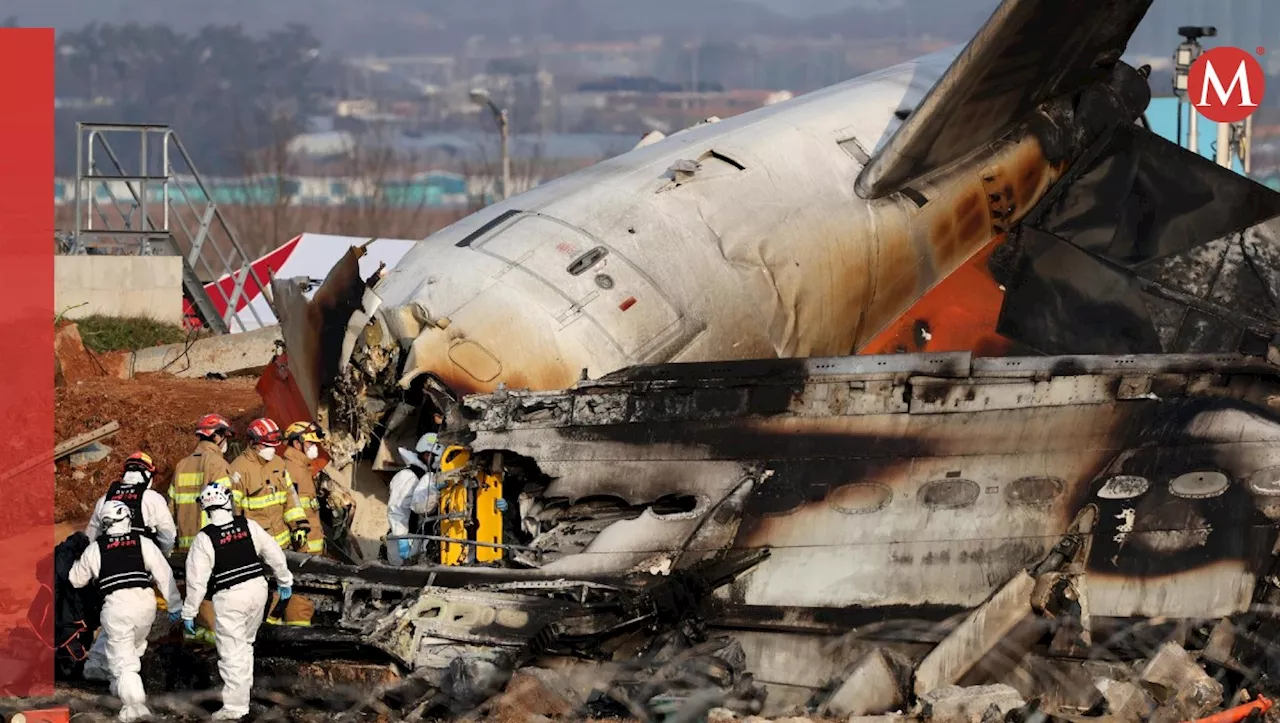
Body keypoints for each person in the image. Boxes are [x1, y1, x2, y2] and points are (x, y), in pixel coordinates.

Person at [181, 483, 294, 721]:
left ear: (205, 508)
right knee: (245, 644)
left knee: (232, 652)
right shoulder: (247, 525)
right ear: (228, 502)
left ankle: (235, 707)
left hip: (231, 597)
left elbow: (196, 582)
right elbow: (274, 552)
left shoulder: (205, 538)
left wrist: (189, 611)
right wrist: (285, 580)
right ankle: (245, 691)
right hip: (258, 590)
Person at [69, 501, 182, 722]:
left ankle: (136, 709)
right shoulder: (142, 542)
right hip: (145, 608)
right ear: (127, 519)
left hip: (117, 608)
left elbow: (75, 579)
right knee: (131, 648)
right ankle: (108, 676)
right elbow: (164, 574)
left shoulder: (96, 549)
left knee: (125, 663)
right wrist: (175, 606)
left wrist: (76, 560)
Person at [81, 452, 177, 682]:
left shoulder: (105, 499)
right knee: (134, 622)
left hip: (108, 571)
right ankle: (123, 673)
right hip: (139, 569)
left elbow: (91, 537)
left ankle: (96, 662)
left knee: (115, 616)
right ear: (147, 473)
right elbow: (168, 535)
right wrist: (158, 557)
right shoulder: (152, 499)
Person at [228, 417, 313, 626]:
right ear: (254, 443)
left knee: (294, 591)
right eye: (267, 446)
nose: (272, 450)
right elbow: (233, 514)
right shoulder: (238, 471)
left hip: (284, 545)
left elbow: (290, 498)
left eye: (275, 446)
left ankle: (296, 633)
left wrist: (299, 525)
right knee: (265, 598)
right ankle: (266, 635)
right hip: (256, 551)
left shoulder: (278, 464)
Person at [170, 414, 235, 553]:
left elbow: (171, 507)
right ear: (216, 437)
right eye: (224, 437)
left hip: (185, 546)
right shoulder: (218, 464)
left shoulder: (181, 465)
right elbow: (228, 505)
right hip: (213, 544)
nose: (225, 442)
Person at [386, 432, 444, 566]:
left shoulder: (427, 477)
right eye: (433, 456)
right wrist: (402, 538)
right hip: (405, 540)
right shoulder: (408, 476)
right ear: (426, 454)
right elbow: (397, 509)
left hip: (418, 538)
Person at [281, 421, 327, 556]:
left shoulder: (302, 468)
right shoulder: (291, 470)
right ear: (297, 444)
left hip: (314, 543)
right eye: (310, 444)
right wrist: (302, 548)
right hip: (306, 550)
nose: (314, 448)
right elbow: (291, 509)